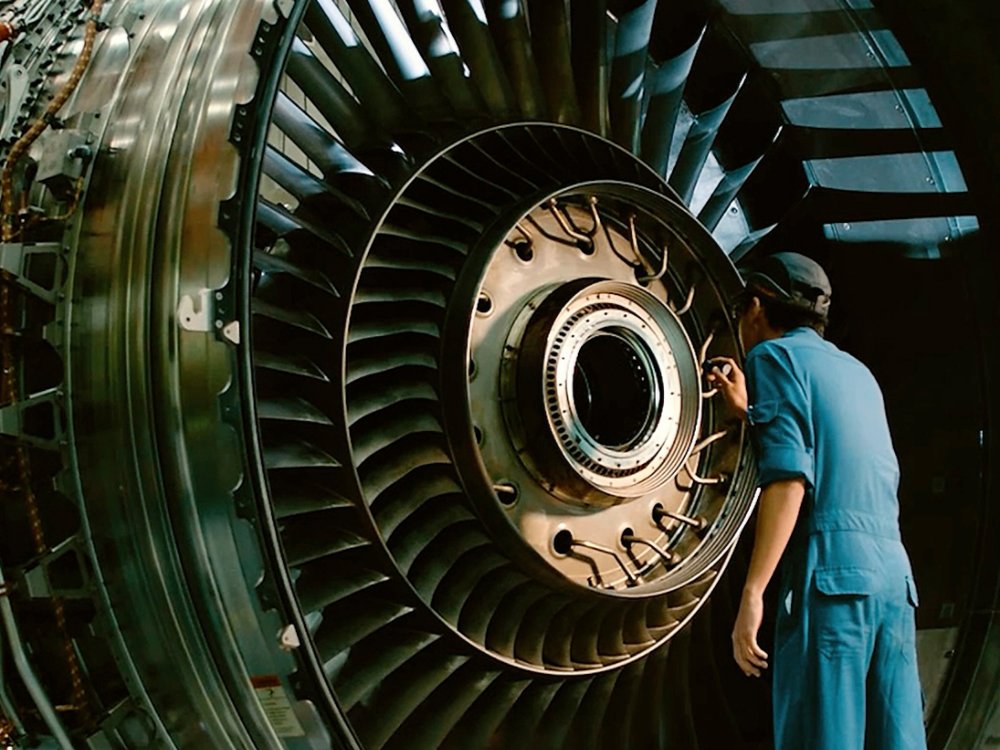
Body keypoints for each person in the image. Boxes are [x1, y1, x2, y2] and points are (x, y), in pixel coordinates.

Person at [707, 252, 926, 750]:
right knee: (894, 738)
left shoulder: (771, 358)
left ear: (755, 307)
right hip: (893, 579)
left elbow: (790, 480)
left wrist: (752, 593)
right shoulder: (858, 373)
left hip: (832, 580)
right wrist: (752, 414)